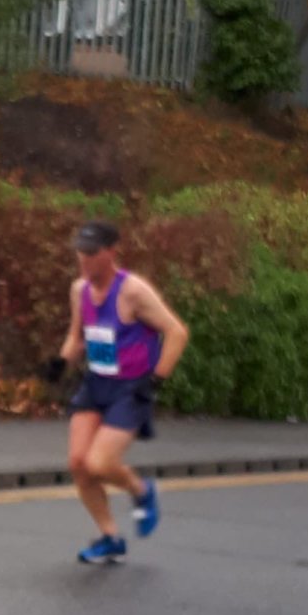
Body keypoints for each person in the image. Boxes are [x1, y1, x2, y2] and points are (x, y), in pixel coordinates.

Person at [53, 220, 189, 564]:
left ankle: (142, 491)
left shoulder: (133, 291)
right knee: (78, 464)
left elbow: (177, 332)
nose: (84, 259)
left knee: (100, 463)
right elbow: (77, 336)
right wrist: (59, 364)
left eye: (91, 252)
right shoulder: (79, 290)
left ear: (111, 252)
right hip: (96, 383)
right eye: (80, 252)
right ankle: (110, 537)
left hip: (130, 388)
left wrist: (155, 380)